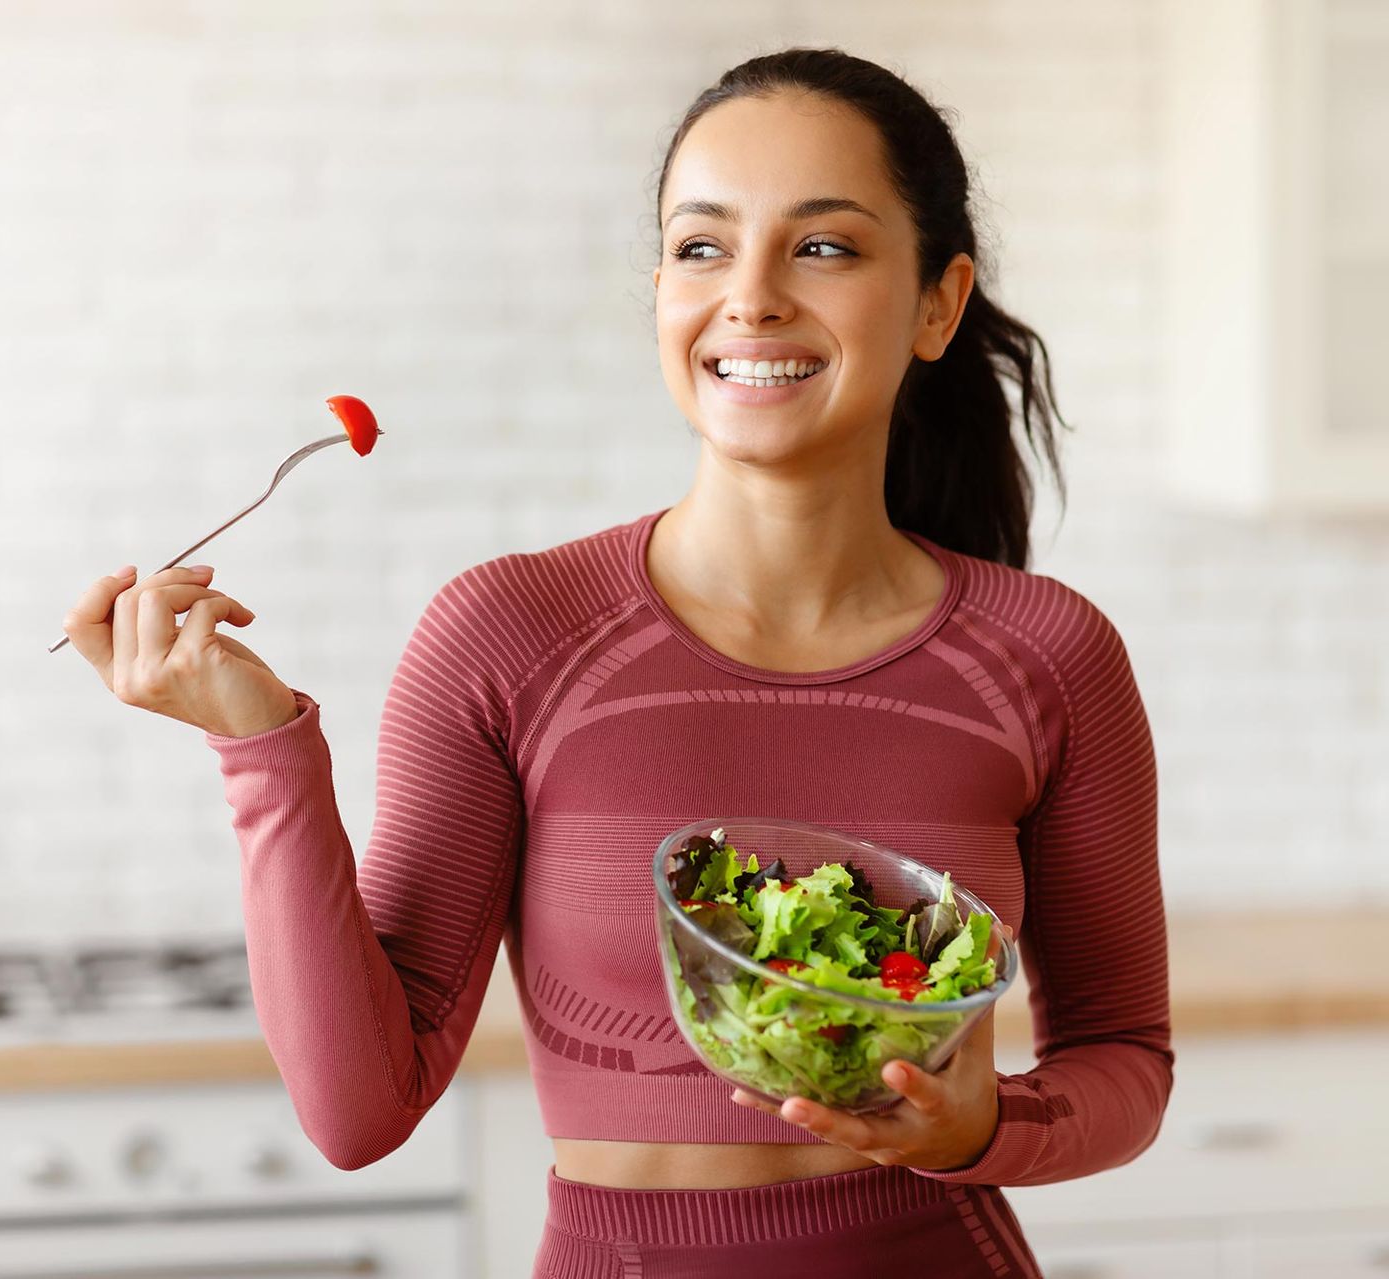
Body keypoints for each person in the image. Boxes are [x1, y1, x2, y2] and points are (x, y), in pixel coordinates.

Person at [61, 47, 1170, 1279]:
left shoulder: (1050, 657)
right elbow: (356, 1109)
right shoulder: (509, 634)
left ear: (936, 304)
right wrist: (262, 747)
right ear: (660, 290)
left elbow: (1124, 1058)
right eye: (702, 248)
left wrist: (983, 1127)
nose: (749, 298)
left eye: (824, 247)